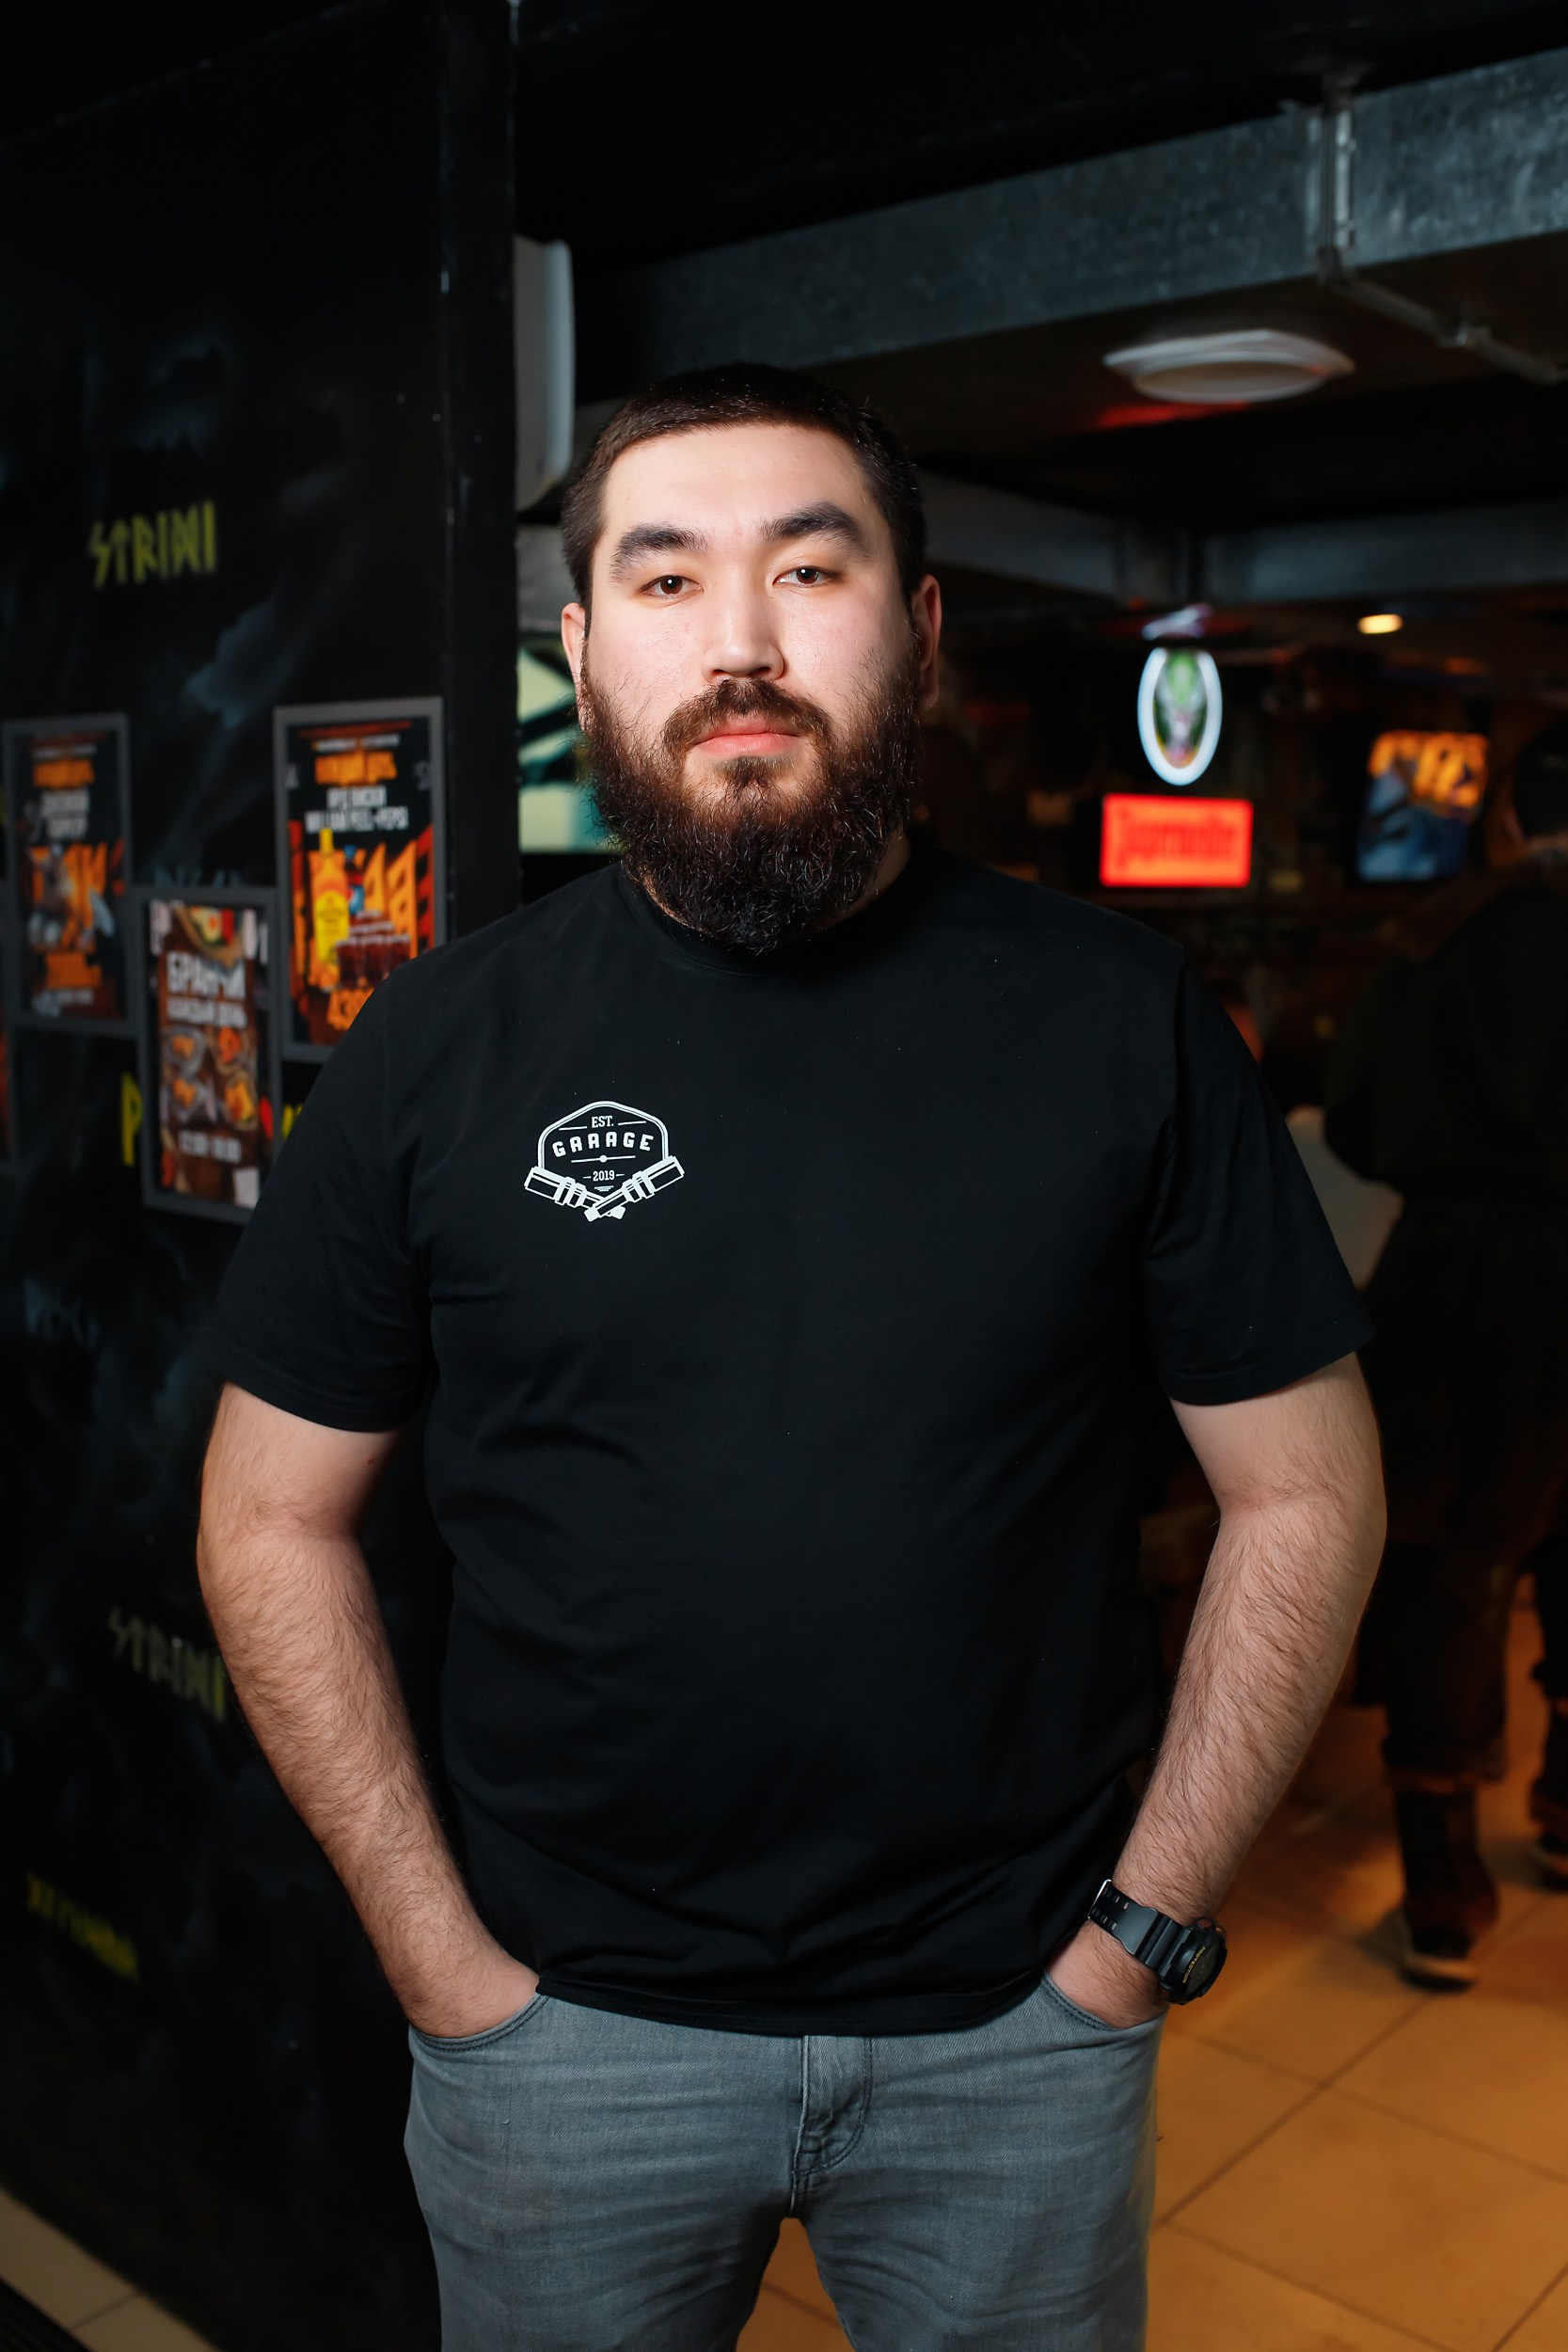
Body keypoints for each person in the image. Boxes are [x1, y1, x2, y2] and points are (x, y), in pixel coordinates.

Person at [197, 365, 1383, 2352]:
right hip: (566, 2038)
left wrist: (1137, 1938)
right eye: (665, 580)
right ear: (582, 649)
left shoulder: (1121, 1019)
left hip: (1015, 2034)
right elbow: (263, 1517)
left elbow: (1311, 1491)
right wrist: (442, 1966)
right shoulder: (440, 1049)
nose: (738, 642)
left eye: (808, 569)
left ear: (916, 627)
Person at [1327, 718, 1568, 1989]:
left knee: (1449, 1572)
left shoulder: (1436, 937)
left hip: (1460, 1284)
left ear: (1510, 816)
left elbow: (1357, 1124)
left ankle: (1444, 1894)